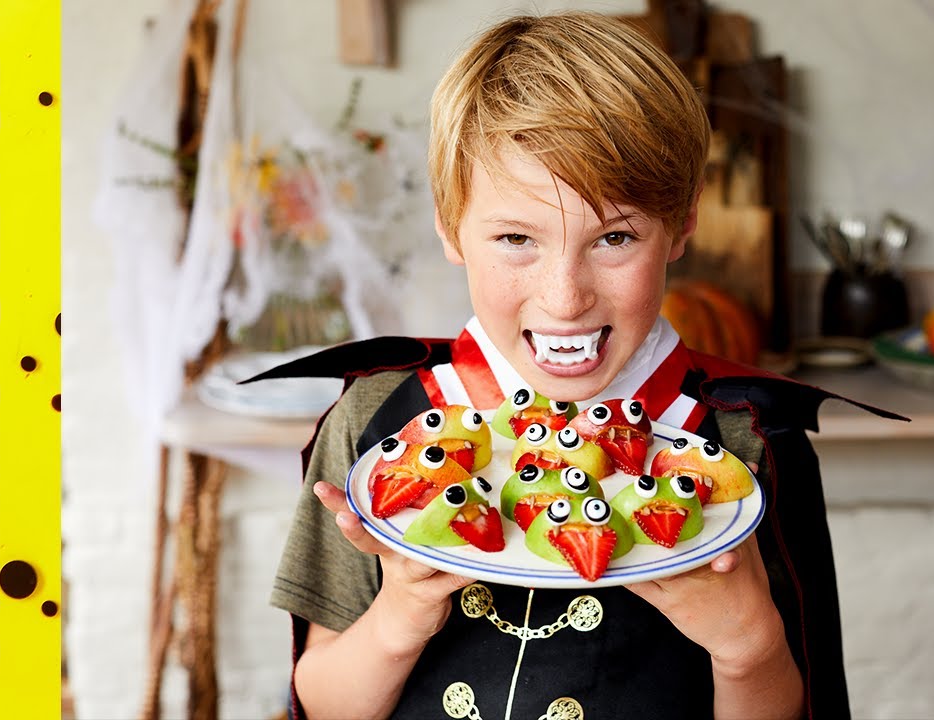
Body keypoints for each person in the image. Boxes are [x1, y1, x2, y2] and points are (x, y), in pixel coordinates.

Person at [261, 11, 899, 720]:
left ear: (684, 224)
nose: (565, 298)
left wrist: (747, 646)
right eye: (514, 238)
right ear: (449, 225)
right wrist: (400, 613)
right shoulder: (376, 428)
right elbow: (322, 707)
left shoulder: (750, 443)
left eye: (615, 237)